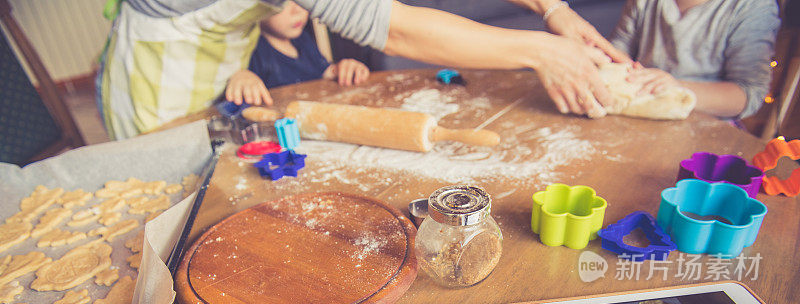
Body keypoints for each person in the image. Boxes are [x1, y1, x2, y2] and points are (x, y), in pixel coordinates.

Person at [99, 0, 626, 140]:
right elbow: (395, 30)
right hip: (161, 84)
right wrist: (542, 50)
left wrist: (552, 9)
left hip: (222, 62)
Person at [609, 0, 780, 119]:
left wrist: (678, 88)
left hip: (708, 127)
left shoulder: (752, 7)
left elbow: (748, 93)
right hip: (639, 107)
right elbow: (618, 50)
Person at [225, 2, 370, 107]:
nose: (298, 10)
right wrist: (242, 77)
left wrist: (341, 69)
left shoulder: (302, 40)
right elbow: (242, 89)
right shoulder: (254, 51)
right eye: (283, 2)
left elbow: (324, 72)